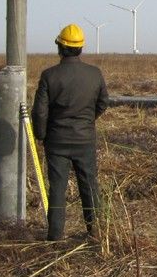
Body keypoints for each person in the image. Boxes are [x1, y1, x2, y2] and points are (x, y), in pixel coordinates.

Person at [31, 24, 109, 242]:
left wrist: (41, 135)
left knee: (57, 188)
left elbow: (39, 112)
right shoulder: (94, 74)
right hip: (85, 140)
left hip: (56, 142)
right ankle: (96, 232)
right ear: (81, 48)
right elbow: (103, 102)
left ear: (60, 47)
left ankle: (55, 235)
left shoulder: (49, 76)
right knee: (89, 185)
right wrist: (86, 121)